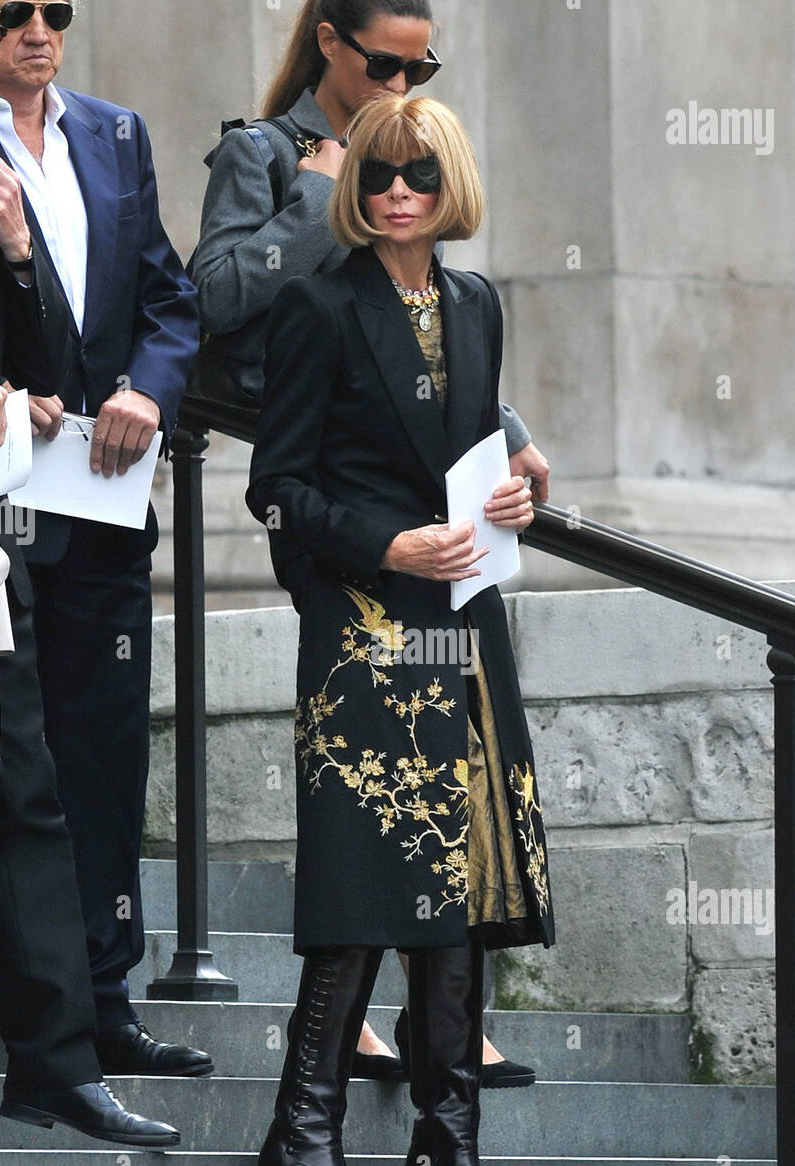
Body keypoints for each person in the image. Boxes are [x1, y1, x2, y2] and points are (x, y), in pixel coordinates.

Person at [194, 0, 546, 1086]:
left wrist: (518, 459)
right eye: (385, 62)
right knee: (362, 848)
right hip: (350, 555)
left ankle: (449, 1114)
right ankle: (314, 1111)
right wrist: (323, 200)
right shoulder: (265, 158)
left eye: (420, 67)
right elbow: (216, 298)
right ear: (330, 44)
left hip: (451, 582)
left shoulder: (473, 299)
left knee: (461, 832)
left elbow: (455, 393)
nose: (401, 83)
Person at [247, 93, 555, 1166]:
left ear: (449, 185)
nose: (394, 194)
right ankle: (301, 1131)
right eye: (375, 175)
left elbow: (475, 443)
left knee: (461, 890)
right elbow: (274, 487)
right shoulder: (315, 307)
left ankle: (448, 1150)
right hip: (364, 635)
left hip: (463, 620)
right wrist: (380, 541)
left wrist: (525, 483)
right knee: (363, 884)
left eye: (417, 175)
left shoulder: (475, 304)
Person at [0, 1, 211, 1078]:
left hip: (109, 498)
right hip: (7, 504)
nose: (37, 32)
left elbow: (170, 300)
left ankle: (107, 997)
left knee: (105, 754)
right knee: (18, 769)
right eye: (8, 15)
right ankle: (35, 1014)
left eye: (54, 11)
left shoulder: (113, 133)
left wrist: (149, 393)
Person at [0, 143, 178, 1147]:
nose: (36, 29)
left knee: (29, 789)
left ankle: (57, 1061)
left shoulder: (41, 175)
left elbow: (46, 357)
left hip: (4, 537)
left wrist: (21, 256)